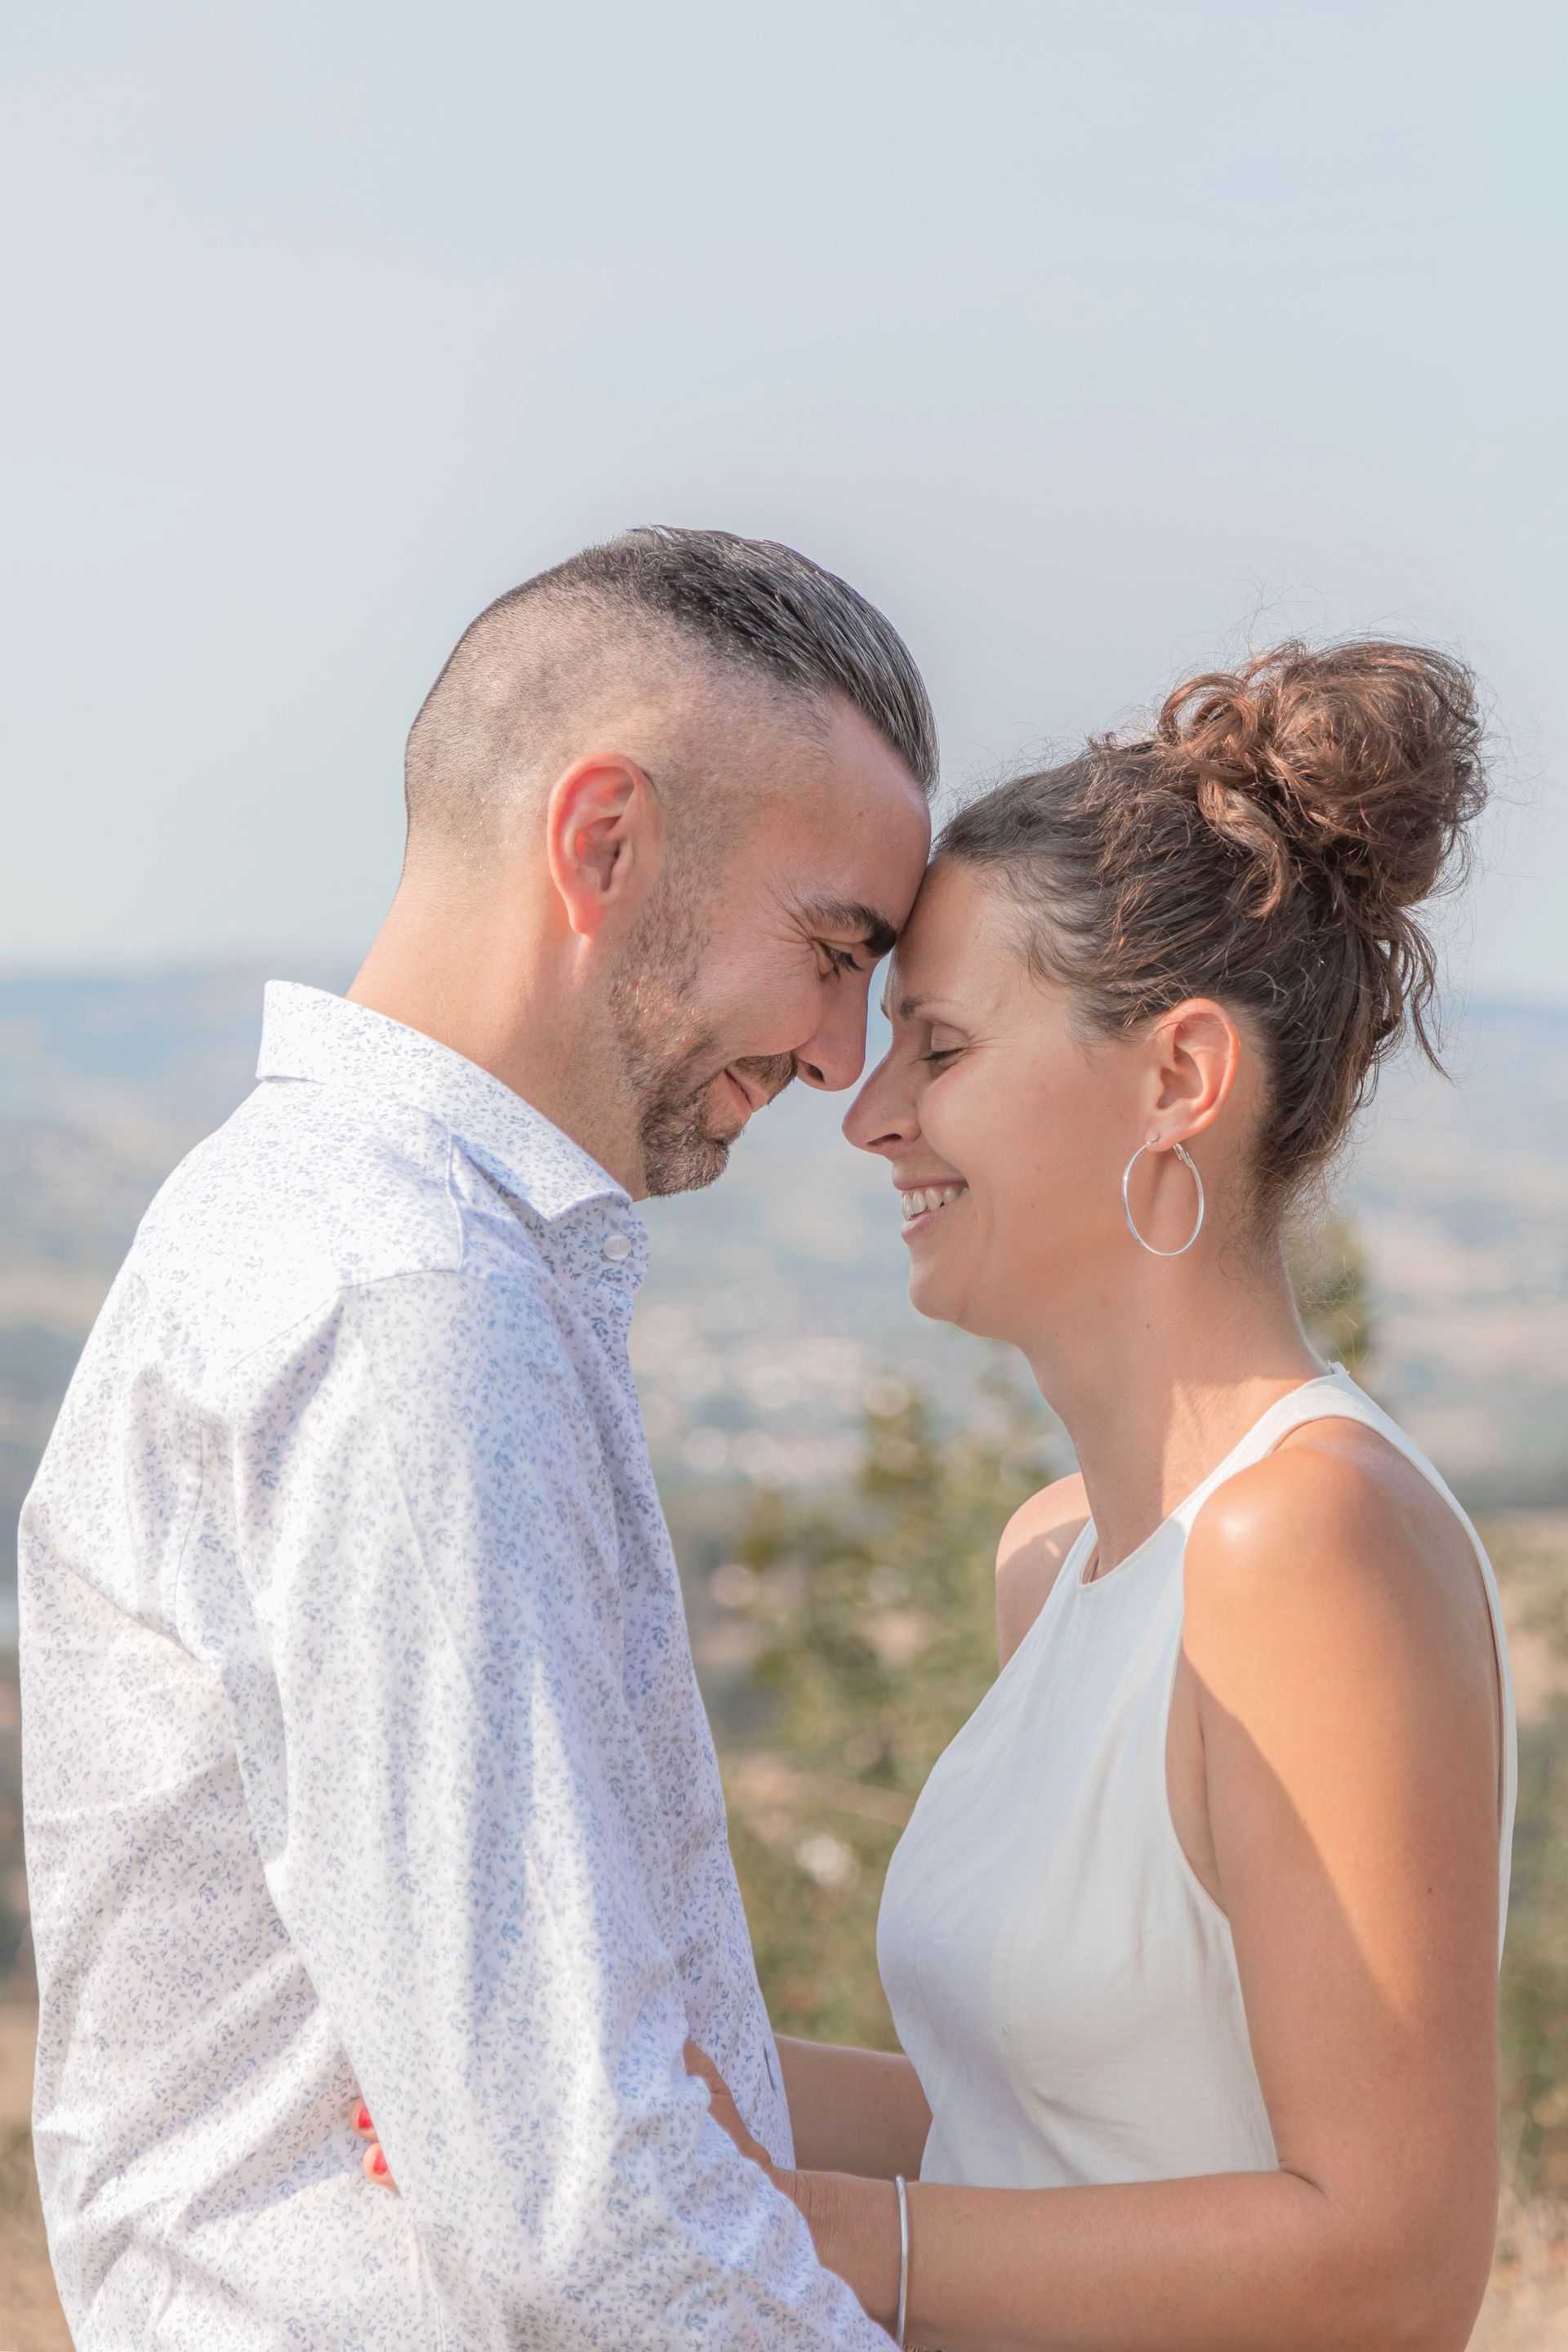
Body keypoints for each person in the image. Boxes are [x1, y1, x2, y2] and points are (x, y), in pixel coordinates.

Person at [17, 527, 935, 2349]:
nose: (844, 1054)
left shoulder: (349, 1235)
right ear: (602, 844)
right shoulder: (409, 1300)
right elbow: (575, 2201)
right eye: (832, 951)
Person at [650, 638, 1515, 2351]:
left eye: (944, 1048)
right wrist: (639, 2093)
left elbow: (1395, 2264)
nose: (871, 1113)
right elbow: (1030, 2142)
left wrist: (800, 2237)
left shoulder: (1308, 1541)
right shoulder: (1051, 1561)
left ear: (1180, 1081)